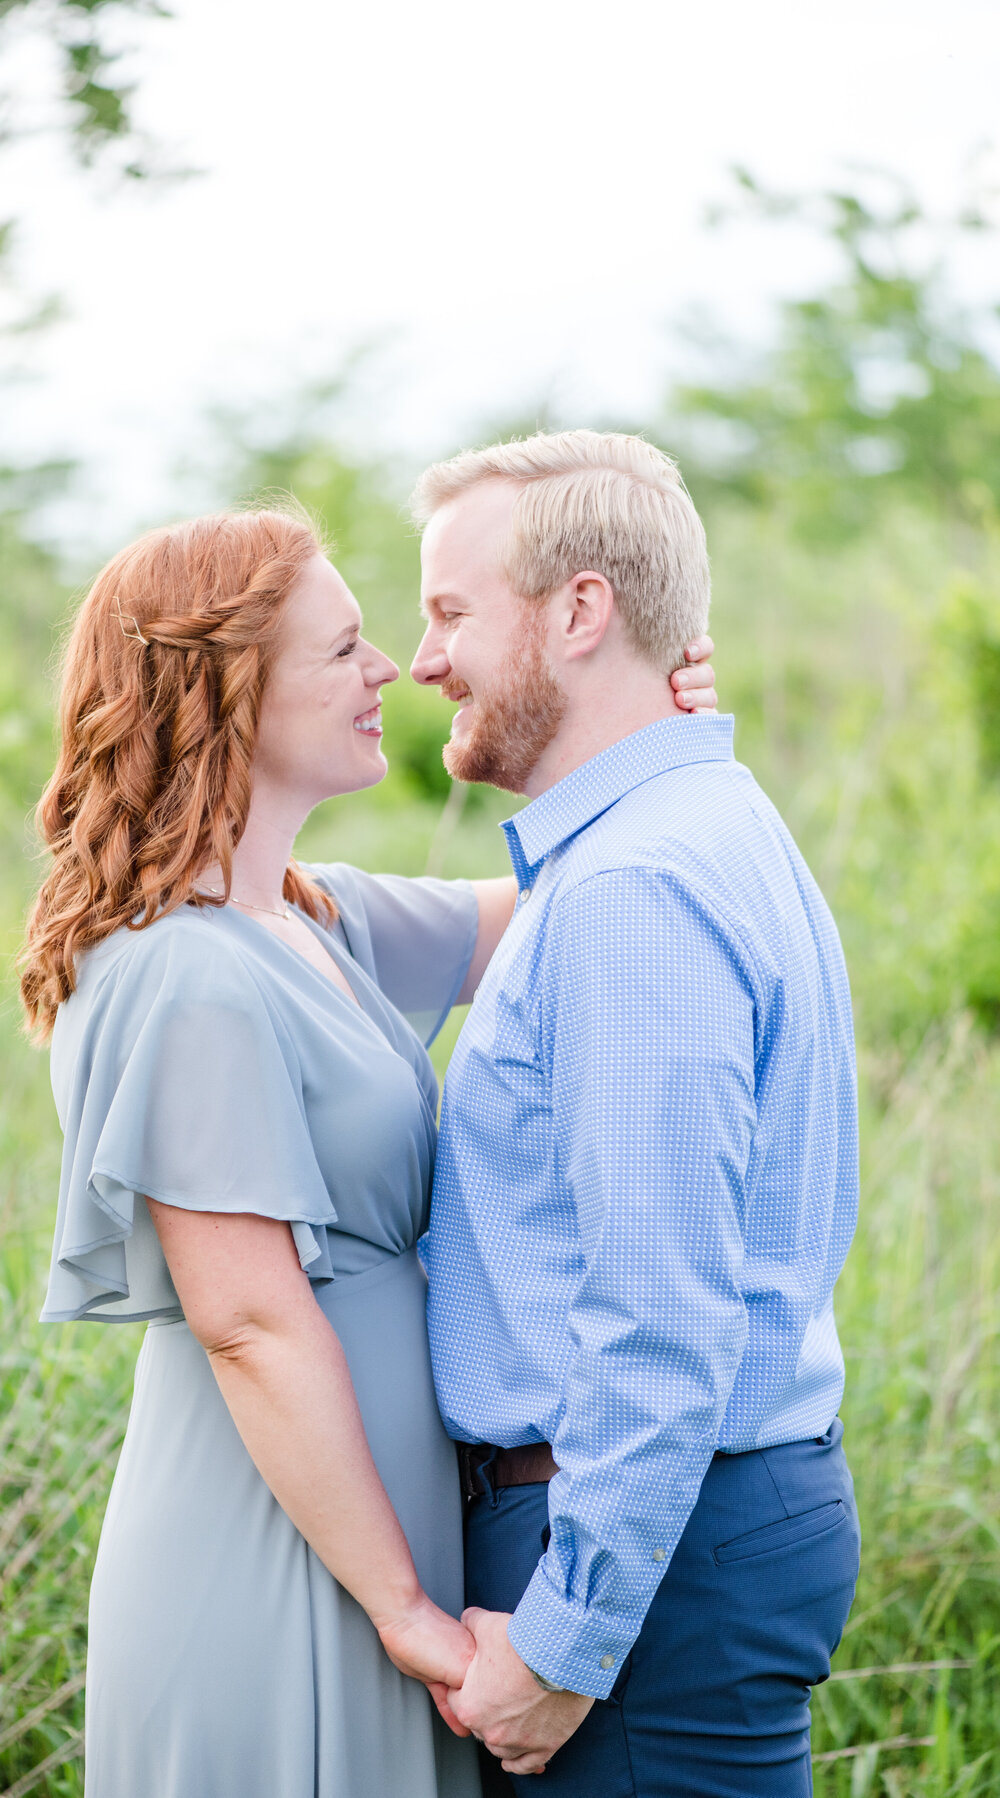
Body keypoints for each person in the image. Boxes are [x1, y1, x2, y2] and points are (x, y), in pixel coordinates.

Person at [19, 501, 720, 1795]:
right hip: (283, 1544)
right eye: (344, 648)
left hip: (375, 1526)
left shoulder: (308, 913)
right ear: (234, 690)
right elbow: (252, 1322)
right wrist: (402, 1605)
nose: (388, 667)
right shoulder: (186, 973)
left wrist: (653, 739)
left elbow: (568, 908)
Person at [411, 430, 861, 1796]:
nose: (423, 658)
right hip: (670, 1532)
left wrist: (561, 1642)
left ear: (582, 610)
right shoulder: (687, 823)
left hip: (634, 1555)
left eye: (447, 612)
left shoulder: (630, 894)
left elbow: (661, 1313)